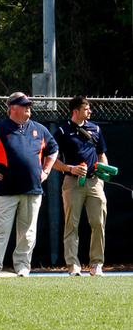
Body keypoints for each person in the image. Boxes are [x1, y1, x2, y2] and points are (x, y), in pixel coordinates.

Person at [0, 92, 59, 278]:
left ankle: (22, 266)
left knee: (28, 232)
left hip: (32, 189)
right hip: (6, 190)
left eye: (29, 105)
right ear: (12, 108)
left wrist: (46, 171)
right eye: (23, 104)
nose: (28, 107)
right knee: (0, 231)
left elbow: (54, 149)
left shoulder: (39, 129)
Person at [52, 96, 109, 276]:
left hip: (94, 183)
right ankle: (73, 265)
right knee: (72, 224)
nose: (90, 112)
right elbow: (52, 160)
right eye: (87, 109)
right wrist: (71, 169)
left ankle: (96, 264)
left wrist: (101, 175)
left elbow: (102, 154)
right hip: (72, 183)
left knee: (98, 222)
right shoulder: (62, 131)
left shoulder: (96, 129)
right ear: (75, 111)